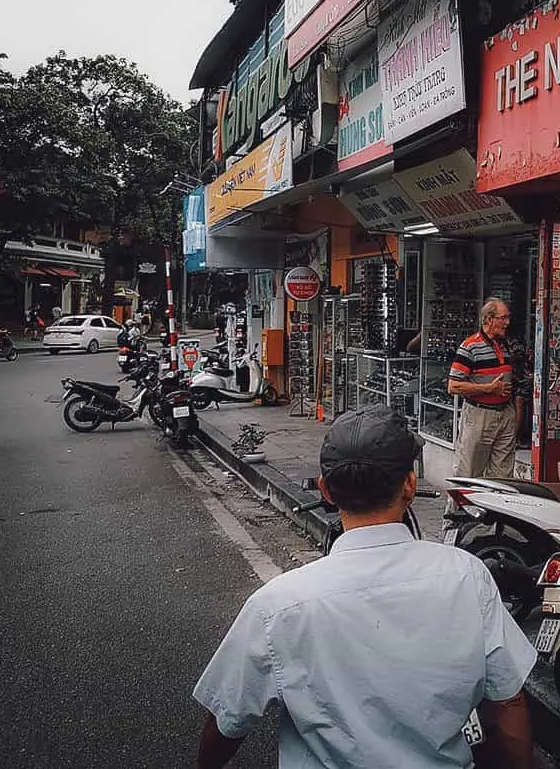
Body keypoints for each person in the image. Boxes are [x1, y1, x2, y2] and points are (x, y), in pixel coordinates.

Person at [192, 404, 536, 769]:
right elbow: (507, 705)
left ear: (325, 490)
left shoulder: (277, 605)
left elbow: (228, 718)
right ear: (410, 484)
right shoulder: (467, 575)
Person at [448, 298, 519, 478]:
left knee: (502, 475)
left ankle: (494, 506)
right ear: (489, 319)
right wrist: (489, 389)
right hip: (480, 416)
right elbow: (453, 386)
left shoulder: (505, 345)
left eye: (508, 318)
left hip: (505, 413)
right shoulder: (470, 346)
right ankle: (458, 506)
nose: (507, 323)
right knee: (469, 472)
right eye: (503, 318)